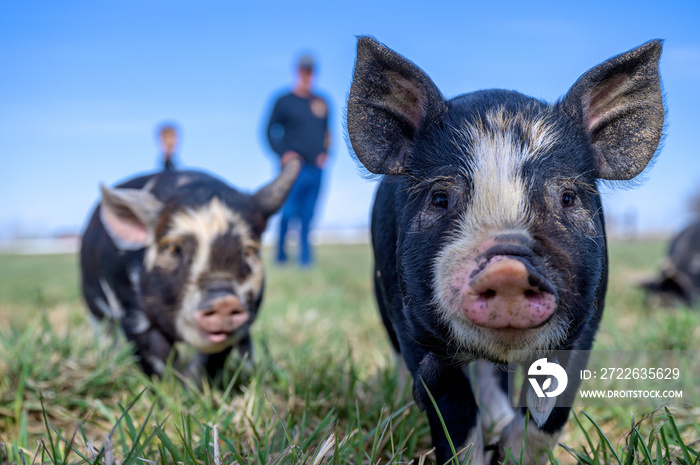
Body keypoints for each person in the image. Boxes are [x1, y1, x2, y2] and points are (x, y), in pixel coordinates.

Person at [266, 53, 330, 268]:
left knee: (307, 216)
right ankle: (282, 258)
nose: (307, 75)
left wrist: (326, 153)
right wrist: (283, 153)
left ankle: (305, 261)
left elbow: (327, 133)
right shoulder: (284, 101)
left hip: (316, 169)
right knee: (289, 213)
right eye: (303, 70)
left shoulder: (321, 102)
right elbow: (269, 131)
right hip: (293, 169)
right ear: (297, 71)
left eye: (310, 70)